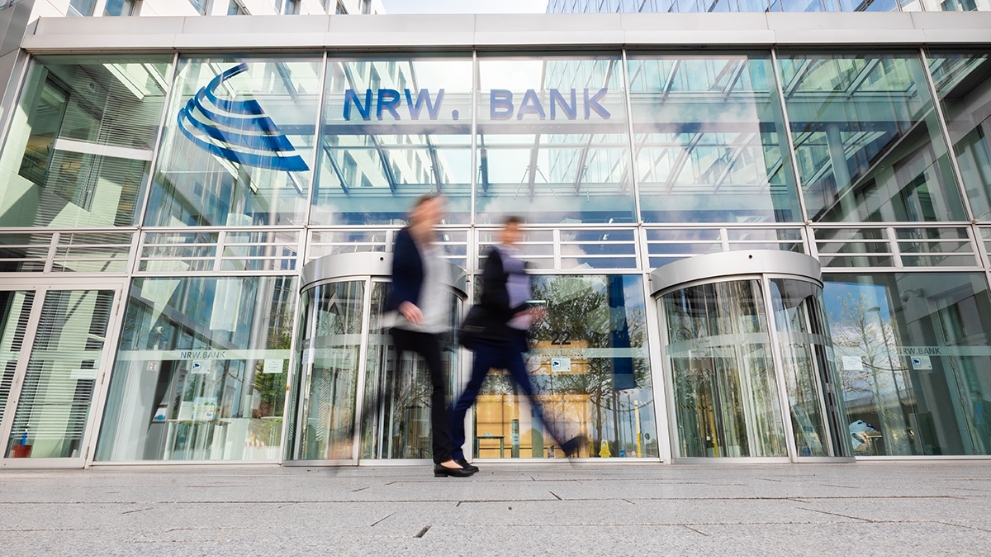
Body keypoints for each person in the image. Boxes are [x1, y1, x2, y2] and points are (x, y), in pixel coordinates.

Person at [450, 216, 585, 470]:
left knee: (532, 396)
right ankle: (454, 453)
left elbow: (518, 303)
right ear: (503, 232)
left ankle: (564, 445)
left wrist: (530, 315)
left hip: (511, 341)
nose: (514, 235)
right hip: (490, 340)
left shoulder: (521, 266)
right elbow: (491, 295)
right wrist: (520, 311)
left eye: (517, 231)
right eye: (511, 230)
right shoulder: (494, 257)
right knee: (470, 394)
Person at [384, 194, 473, 478]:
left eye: (439, 208)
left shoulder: (434, 243)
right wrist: (403, 302)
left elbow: (435, 288)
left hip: (428, 329)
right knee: (391, 389)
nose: (437, 211)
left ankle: (444, 458)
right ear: (419, 210)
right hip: (405, 324)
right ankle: (348, 438)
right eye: (431, 207)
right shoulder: (406, 237)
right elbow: (397, 274)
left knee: (439, 390)